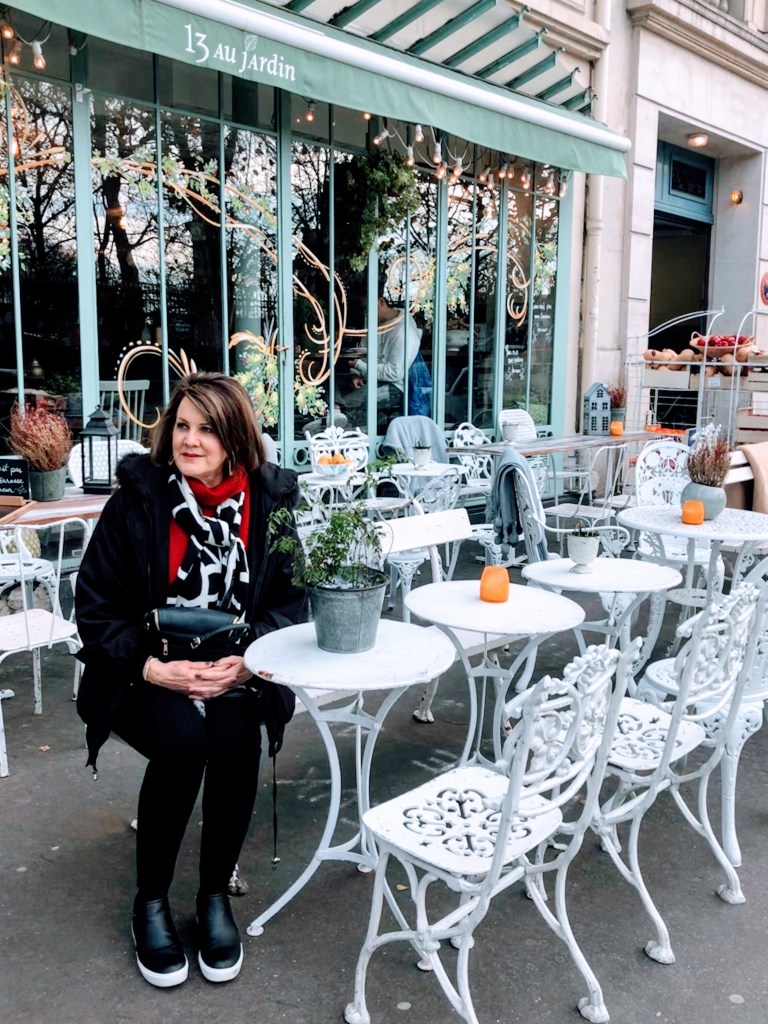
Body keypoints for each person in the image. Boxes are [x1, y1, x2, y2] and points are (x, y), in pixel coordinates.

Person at [75, 372, 307, 989]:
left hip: (235, 665)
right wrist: (151, 667)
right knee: (182, 743)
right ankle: (150, 901)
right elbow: (95, 607)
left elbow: (290, 604)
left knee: (236, 740)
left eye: (207, 429)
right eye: (181, 425)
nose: (190, 440)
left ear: (235, 439)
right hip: (143, 669)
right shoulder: (138, 501)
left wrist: (251, 661)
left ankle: (212, 897)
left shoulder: (269, 503)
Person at [350, 296, 428, 426]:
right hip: (372, 381)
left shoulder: (405, 331)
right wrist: (356, 374)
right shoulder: (376, 325)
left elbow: (394, 373)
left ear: (381, 302)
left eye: (367, 308)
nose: (366, 313)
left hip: (394, 388)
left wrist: (359, 366)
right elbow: (362, 352)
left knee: (348, 403)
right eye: (363, 309)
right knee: (336, 390)